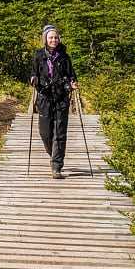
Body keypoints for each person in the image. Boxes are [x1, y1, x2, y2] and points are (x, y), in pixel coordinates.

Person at [29, 24, 78, 178]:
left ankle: (56, 166)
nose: (54, 40)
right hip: (44, 97)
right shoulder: (38, 55)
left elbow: (72, 75)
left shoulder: (64, 56)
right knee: (45, 133)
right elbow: (33, 72)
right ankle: (53, 152)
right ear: (45, 39)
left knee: (60, 132)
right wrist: (33, 79)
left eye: (56, 37)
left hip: (61, 97)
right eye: (51, 37)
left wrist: (73, 83)